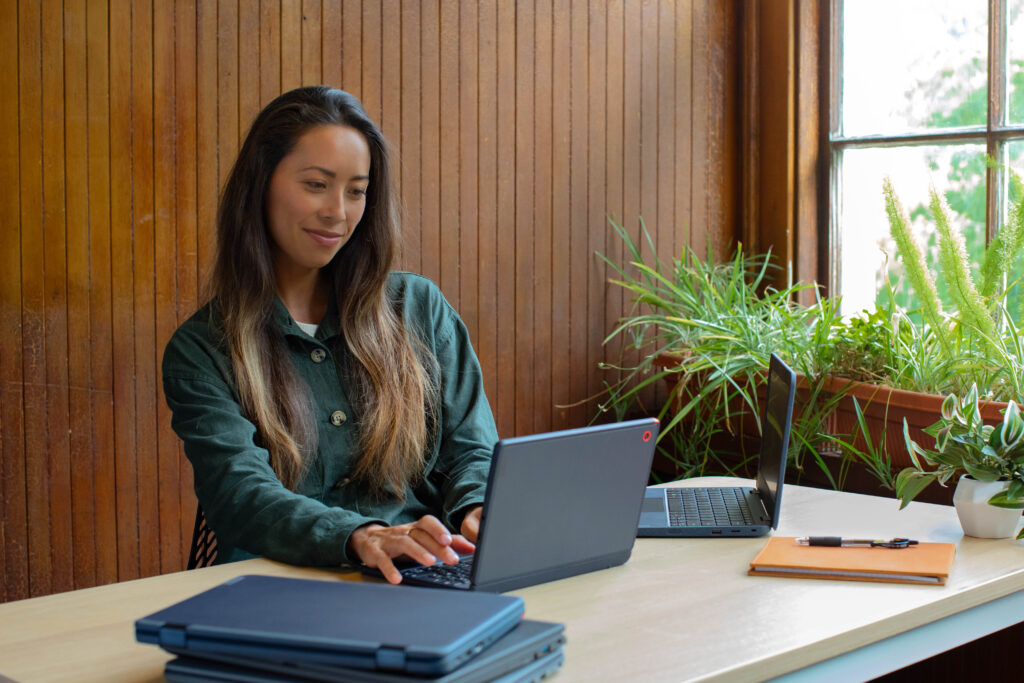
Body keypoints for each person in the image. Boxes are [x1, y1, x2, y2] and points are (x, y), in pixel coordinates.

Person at [162, 86, 497, 584]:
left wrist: (476, 508)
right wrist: (360, 535)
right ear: (262, 186)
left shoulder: (418, 308)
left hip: (429, 574)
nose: (338, 212)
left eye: (356, 190)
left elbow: (473, 449)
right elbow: (242, 495)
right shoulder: (203, 349)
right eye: (317, 185)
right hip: (281, 589)